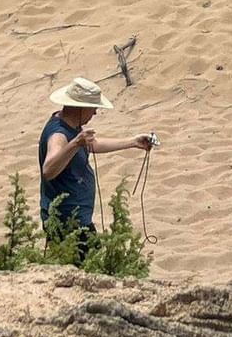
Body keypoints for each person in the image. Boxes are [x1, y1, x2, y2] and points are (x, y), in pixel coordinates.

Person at [39, 76, 154, 259]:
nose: (95, 113)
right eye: (93, 108)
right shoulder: (58, 135)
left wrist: (133, 142)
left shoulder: (72, 125)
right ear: (81, 107)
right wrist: (75, 143)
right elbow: (48, 170)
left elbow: (93, 145)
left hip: (77, 218)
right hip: (68, 221)